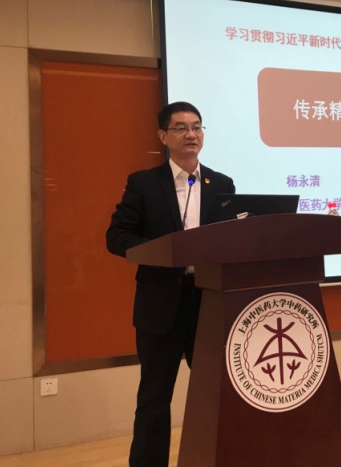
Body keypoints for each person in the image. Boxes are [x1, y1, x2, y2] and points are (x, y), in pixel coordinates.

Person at [106, 101, 235, 467]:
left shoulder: (221, 184)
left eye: (197, 127)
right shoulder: (144, 183)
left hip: (209, 304)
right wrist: (162, 251)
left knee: (216, 395)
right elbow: (117, 237)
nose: (191, 134)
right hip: (160, 305)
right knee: (154, 398)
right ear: (163, 136)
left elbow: (231, 237)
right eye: (181, 128)